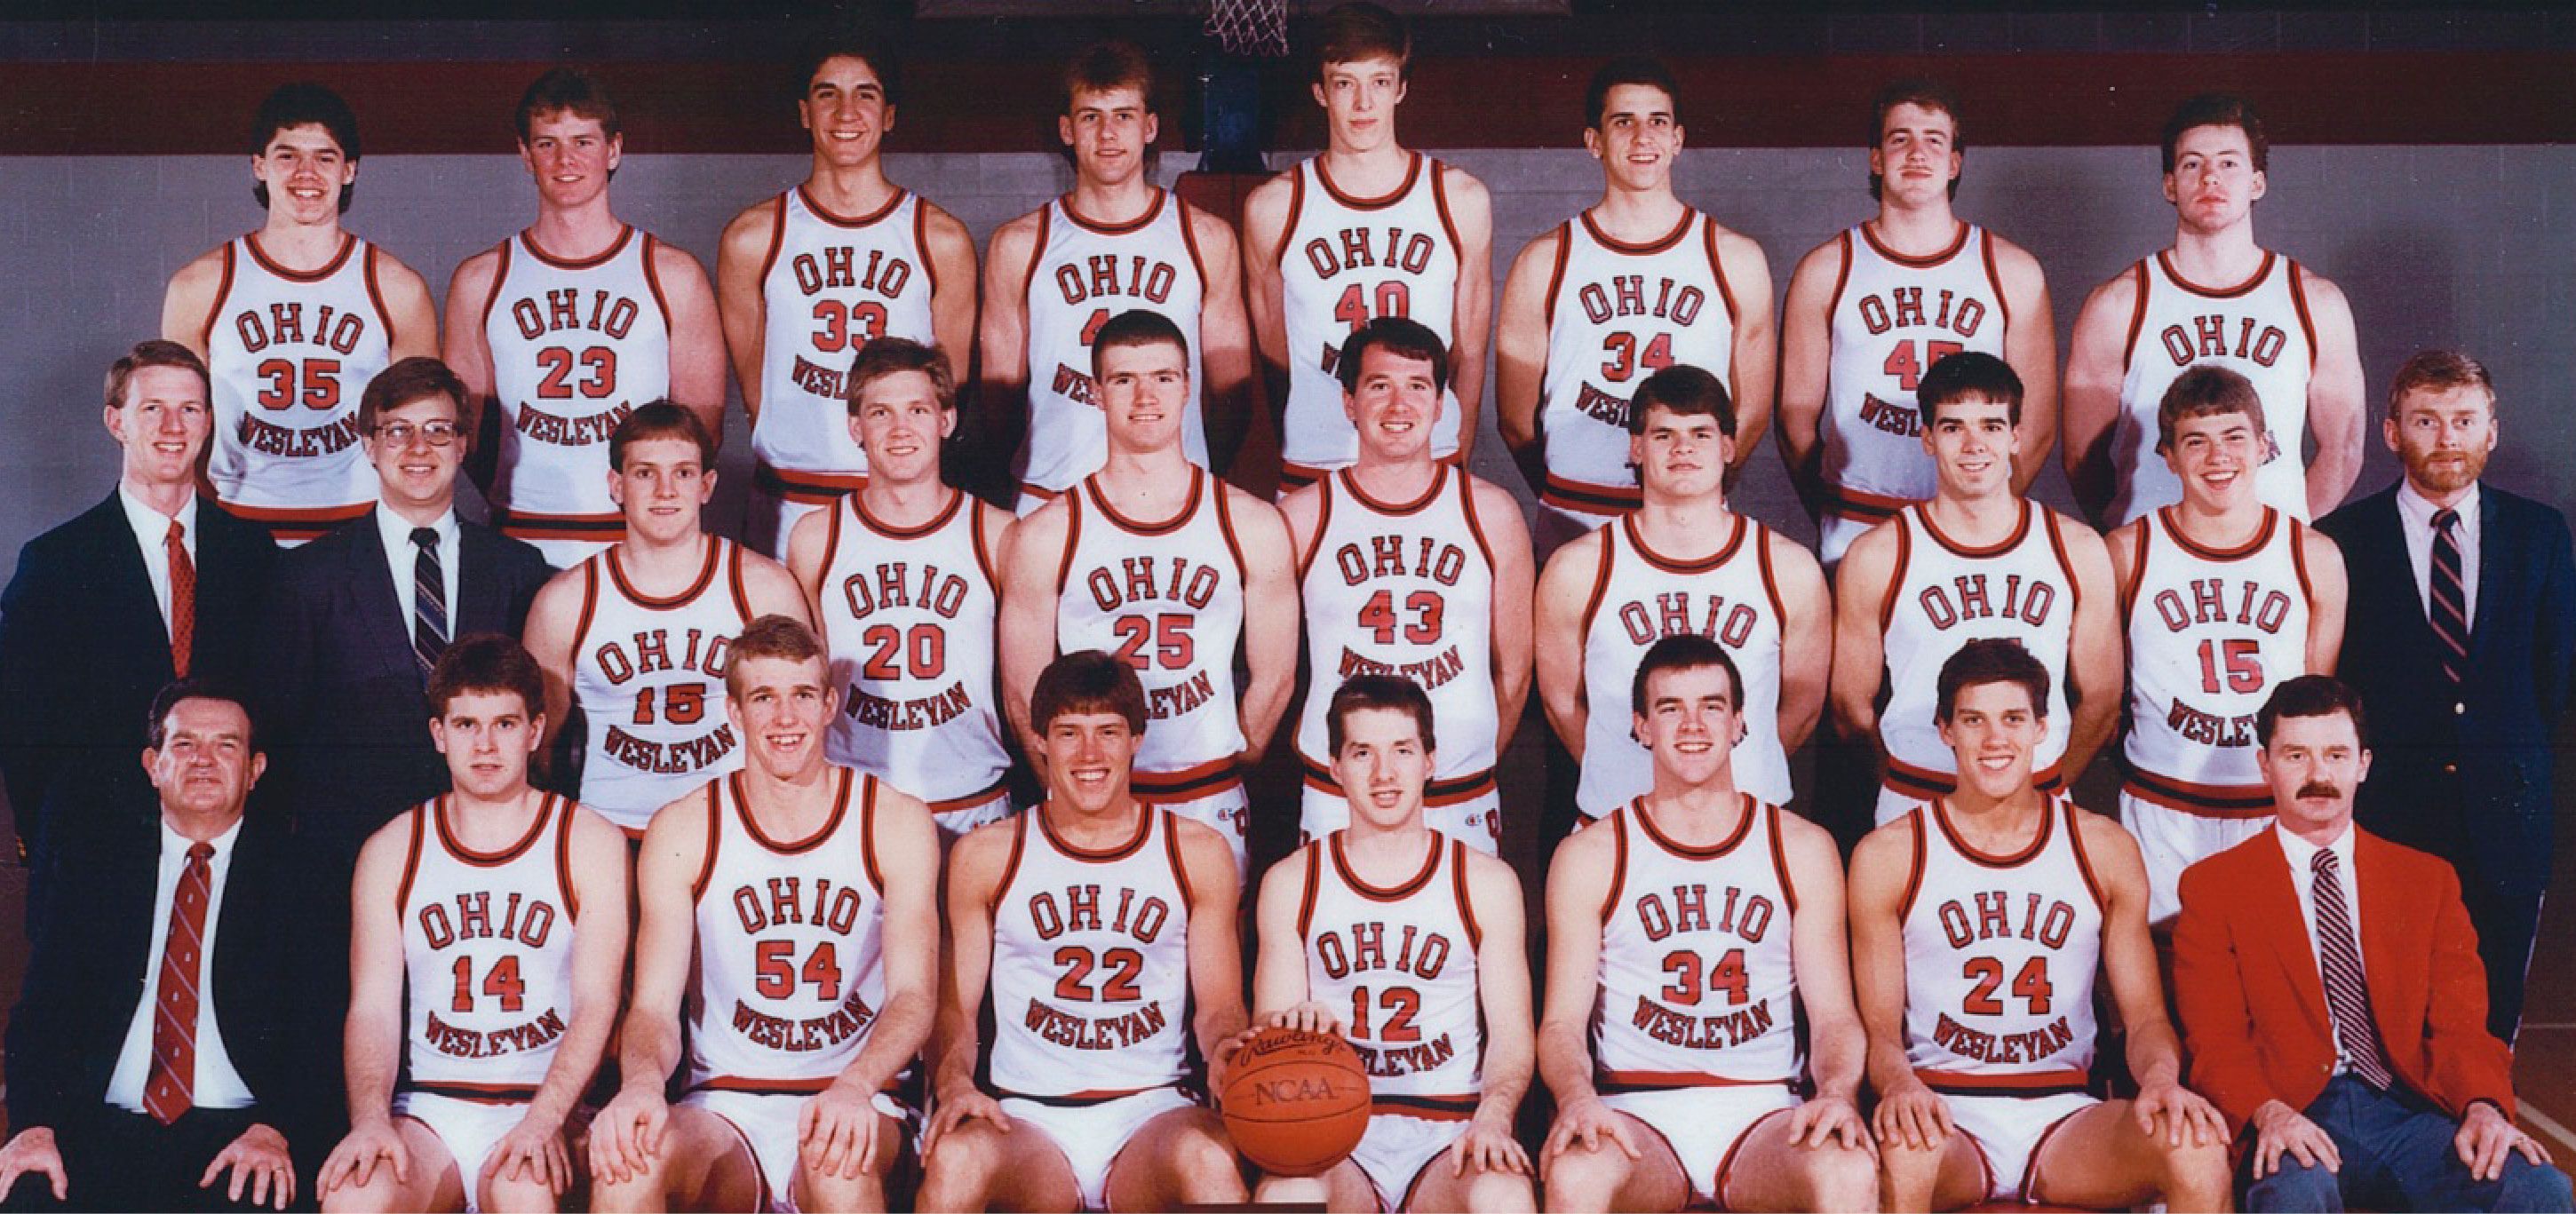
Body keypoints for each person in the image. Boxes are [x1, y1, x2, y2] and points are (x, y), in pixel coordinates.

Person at [1847, 640, 2232, 1211]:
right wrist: (1901, 1085)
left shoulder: (2103, 847)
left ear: (2042, 728)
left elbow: (2146, 1016)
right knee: (1906, 1153)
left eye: (2012, 719)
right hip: (1947, 1113)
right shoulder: (1890, 855)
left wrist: (2159, 1081)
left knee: (2196, 1146)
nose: (1994, 739)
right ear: (1945, 730)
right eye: (1973, 720)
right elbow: (1879, 1034)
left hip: (2065, 1114)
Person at [2173, 676, 2573, 1213]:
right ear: (2265, 765)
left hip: (2408, 1112)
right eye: (2296, 755)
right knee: (2296, 1196)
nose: (2319, 775)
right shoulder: (2214, 888)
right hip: (2293, 1110)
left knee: (2539, 1189)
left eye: (2336, 755)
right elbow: (2215, 1042)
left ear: (2362, 764)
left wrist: (2482, 1107)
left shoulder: (2427, 881)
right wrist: (2267, 1112)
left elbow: (2462, 1027)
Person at [589, 616, 942, 1214]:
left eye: (803, 695)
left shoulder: (894, 820)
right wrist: (643, 1084)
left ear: (830, 703)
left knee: (838, 1168)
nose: (785, 718)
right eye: (764, 698)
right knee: (631, 1163)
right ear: (733, 711)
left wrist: (855, 1085)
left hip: (856, 1094)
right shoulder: (684, 828)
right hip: (725, 1105)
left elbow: (914, 995)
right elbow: (652, 1007)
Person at [1535, 638, 1878, 1213]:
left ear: (1741, 722)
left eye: (1712, 705)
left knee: (1848, 1169)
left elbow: (1835, 1017)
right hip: (1635, 1112)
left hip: (1765, 1112)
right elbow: (1561, 1024)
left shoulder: (1800, 848)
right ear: (1641, 726)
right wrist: (1575, 1097)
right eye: (1670, 707)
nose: (1692, 724)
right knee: (1576, 1176)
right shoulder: (1592, 854)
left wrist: (1839, 1091)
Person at [918, 651, 1250, 1212]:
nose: (1090, 754)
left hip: (1153, 1109)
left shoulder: (1196, 851)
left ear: (1137, 739)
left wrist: (1223, 1051)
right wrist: (953, 1083)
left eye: (1109, 732)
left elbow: (1218, 1005)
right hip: (1026, 1114)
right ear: (1041, 740)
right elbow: (955, 1007)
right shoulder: (989, 854)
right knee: (954, 1164)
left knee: (1209, 1161)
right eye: (1069, 733)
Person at [316, 637, 627, 1214]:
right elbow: (373, 1010)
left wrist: (545, 1120)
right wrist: (369, 1120)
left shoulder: (586, 840)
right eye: (465, 724)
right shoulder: (392, 847)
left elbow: (596, 1002)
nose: (484, 744)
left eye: (504, 723)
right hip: (430, 1107)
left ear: (535, 730)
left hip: (541, 1101)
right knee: (352, 1195)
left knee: (524, 1189)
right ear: (439, 733)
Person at [2318, 350, 2576, 1043]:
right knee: (2393, 999)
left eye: (2464, 420)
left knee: (2492, 1006)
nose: (2446, 438)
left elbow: (2554, 675)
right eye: (2426, 420)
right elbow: (2335, 681)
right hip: (2393, 807)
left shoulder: (2539, 533)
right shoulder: (2341, 540)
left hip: (2505, 805)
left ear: (2491, 430)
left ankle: (2487, 1124)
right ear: (2392, 432)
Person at [0, 683, 329, 1212]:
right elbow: (42, 1010)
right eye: (184, 745)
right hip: (101, 1127)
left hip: (241, 1135)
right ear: (152, 765)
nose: (203, 760)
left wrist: (276, 1129)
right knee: (28, 1196)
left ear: (255, 769)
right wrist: (33, 1126)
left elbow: (322, 1026)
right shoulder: (97, 871)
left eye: (226, 745)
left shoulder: (301, 878)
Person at [998, 310, 1298, 871]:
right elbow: (1023, 695)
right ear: (1096, 392)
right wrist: (1078, 793)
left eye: (1162, 377)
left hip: (1206, 793)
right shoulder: (1048, 532)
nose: (1144, 397)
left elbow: (1276, 679)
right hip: (1090, 798)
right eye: (1123, 379)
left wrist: (1222, 766)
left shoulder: (1249, 523)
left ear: (1189, 386)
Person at [1244, 676, 1535, 1212]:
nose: (1384, 774)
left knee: (1504, 1195)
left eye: (1402, 751)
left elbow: (1512, 1038)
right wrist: (1290, 1033)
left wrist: (1495, 1113)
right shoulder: (1293, 882)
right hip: (1334, 1129)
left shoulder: (1485, 882)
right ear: (1333, 766)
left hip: (1450, 1132)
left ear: (1430, 760)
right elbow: (1269, 1024)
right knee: (1289, 1192)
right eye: (1362, 753)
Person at [0, 341, 275, 888]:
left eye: (190, 409)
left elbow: (275, 704)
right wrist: (55, 841)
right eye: (153, 408)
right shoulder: (56, 562)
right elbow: (23, 726)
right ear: (116, 421)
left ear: (208, 422)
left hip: (234, 852)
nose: (173, 426)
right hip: (97, 851)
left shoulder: (254, 555)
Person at [259, 356, 555, 864]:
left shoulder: (519, 571)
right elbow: (280, 727)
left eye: (438, 431)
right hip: (346, 844)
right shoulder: (309, 576)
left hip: (490, 838)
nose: (419, 449)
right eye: (398, 432)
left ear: (463, 445)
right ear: (369, 446)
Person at [446, 67, 725, 567]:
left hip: (637, 538)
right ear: (524, 155)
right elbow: (467, 429)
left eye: (582, 141)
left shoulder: (671, 274)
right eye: (547, 143)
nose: (565, 160)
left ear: (614, 150)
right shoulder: (481, 279)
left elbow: (701, 427)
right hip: (520, 534)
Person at [1831, 352, 2119, 824]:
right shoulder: (1879, 555)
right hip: (1917, 795)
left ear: (2016, 436)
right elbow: (1850, 708)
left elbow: (2102, 699)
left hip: (2036, 796)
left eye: (1990, 425)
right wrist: (1903, 776)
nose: (1973, 444)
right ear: (1926, 439)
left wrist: (2043, 780)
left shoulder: (2077, 549)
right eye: (1952, 427)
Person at [1496, 57, 1774, 549]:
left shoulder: (1734, 257)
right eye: (1623, 122)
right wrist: (1564, 487)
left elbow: (1750, 413)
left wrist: (1694, 487)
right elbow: (1516, 420)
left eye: (1658, 122)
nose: (1643, 137)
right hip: (1576, 511)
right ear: (1593, 142)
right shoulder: (1545, 260)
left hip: (1690, 516)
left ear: (1678, 139)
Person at [1777, 78, 2055, 567]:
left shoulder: (2011, 270)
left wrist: (1981, 509)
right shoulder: (1827, 268)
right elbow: (1794, 420)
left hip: (1971, 526)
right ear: (1876, 159)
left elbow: (2036, 427)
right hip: (1858, 524)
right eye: (1899, 138)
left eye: (1934, 140)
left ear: (1954, 163)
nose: (1917, 153)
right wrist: (1832, 509)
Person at [1534, 365, 1828, 826]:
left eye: (1701, 433)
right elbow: (1561, 704)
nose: (1683, 448)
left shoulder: (1788, 569)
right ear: (1636, 447)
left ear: (1729, 447)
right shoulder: (1578, 568)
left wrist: (1722, 775)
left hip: (1750, 824)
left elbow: (1803, 707)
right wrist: (1624, 770)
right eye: (1663, 434)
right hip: (1617, 823)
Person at [1282, 318, 1532, 853]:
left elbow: (1514, 670)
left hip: (1458, 791)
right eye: (1379, 387)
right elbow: (1280, 675)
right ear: (1348, 402)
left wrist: (1468, 754)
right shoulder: (1302, 517)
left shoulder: (1490, 513)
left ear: (1441, 404)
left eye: (1418, 387)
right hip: (1337, 795)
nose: (1399, 407)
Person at [718, 39, 978, 551]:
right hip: (790, 496)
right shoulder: (753, 237)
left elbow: (949, 390)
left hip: (900, 495)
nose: (845, 113)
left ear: (889, 116)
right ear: (804, 113)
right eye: (827, 94)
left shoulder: (939, 239)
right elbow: (756, 388)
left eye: (865, 95)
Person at [2108, 363, 2346, 924]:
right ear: (2166, 455)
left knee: (2272, 979)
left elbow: (2315, 702)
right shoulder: (2127, 552)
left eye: (2234, 437)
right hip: (2163, 803)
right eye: (2197, 441)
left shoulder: (2313, 555)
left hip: (2270, 805)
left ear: (2265, 446)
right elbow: (2107, 691)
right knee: (2170, 973)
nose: (2218, 458)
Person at [2063, 92, 2365, 528]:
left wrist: (2286, 530)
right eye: (2192, 164)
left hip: (2273, 559)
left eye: (2228, 163)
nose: (2210, 179)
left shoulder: (2315, 302)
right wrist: (2137, 534)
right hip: (2152, 556)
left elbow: (2344, 451)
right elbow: (2082, 459)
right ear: (2170, 185)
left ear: (2257, 182)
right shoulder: (2118, 304)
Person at [981, 39, 1254, 512]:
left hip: (1172, 500)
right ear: (1067, 130)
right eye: (1091, 117)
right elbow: (998, 397)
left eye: (1123, 115)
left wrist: (1191, 465)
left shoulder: (1205, 237)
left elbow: (1231, 392)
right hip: (1054, 494)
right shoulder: (1021, 244)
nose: (1108, 133)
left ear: (1150, 127)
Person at [161, 83, 440, 545]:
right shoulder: (201, 285)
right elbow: (178, 426)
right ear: (259, 164)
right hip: (238, 524)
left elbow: (422, 433)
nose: (305, 173)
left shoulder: (395, 287)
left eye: (325, 157)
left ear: (349, 170)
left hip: (359, 530)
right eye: (287, 155)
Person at [521, 404, 813, 835]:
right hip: (612, 834)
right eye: (644, 474)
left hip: (736, 830)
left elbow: (803, 721)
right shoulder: (565, 601)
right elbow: (537, 747)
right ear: (616, 485)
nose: (665, 491)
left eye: (683, 473)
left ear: (707, 485)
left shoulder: (762, 588)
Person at [1241, 0, 1493, 488]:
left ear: (1400, 88)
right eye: (1344, 83)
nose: (1363, 104)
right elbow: (1277, 356)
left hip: (1429, 457)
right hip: (1317, 456)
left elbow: (1470, 351)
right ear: (1320, 92)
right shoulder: (1274, 207)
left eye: (1379, 82)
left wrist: (1456, 452)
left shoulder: (1459, 198)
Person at [788, 337, 1016, 837]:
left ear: (946, 420)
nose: (900, 429)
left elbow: (1023, 685)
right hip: (861, 799)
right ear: (855, 428)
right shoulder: (816, 538)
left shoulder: (995, 532)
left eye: (917, 409)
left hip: (971, 794)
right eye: (880, 413)